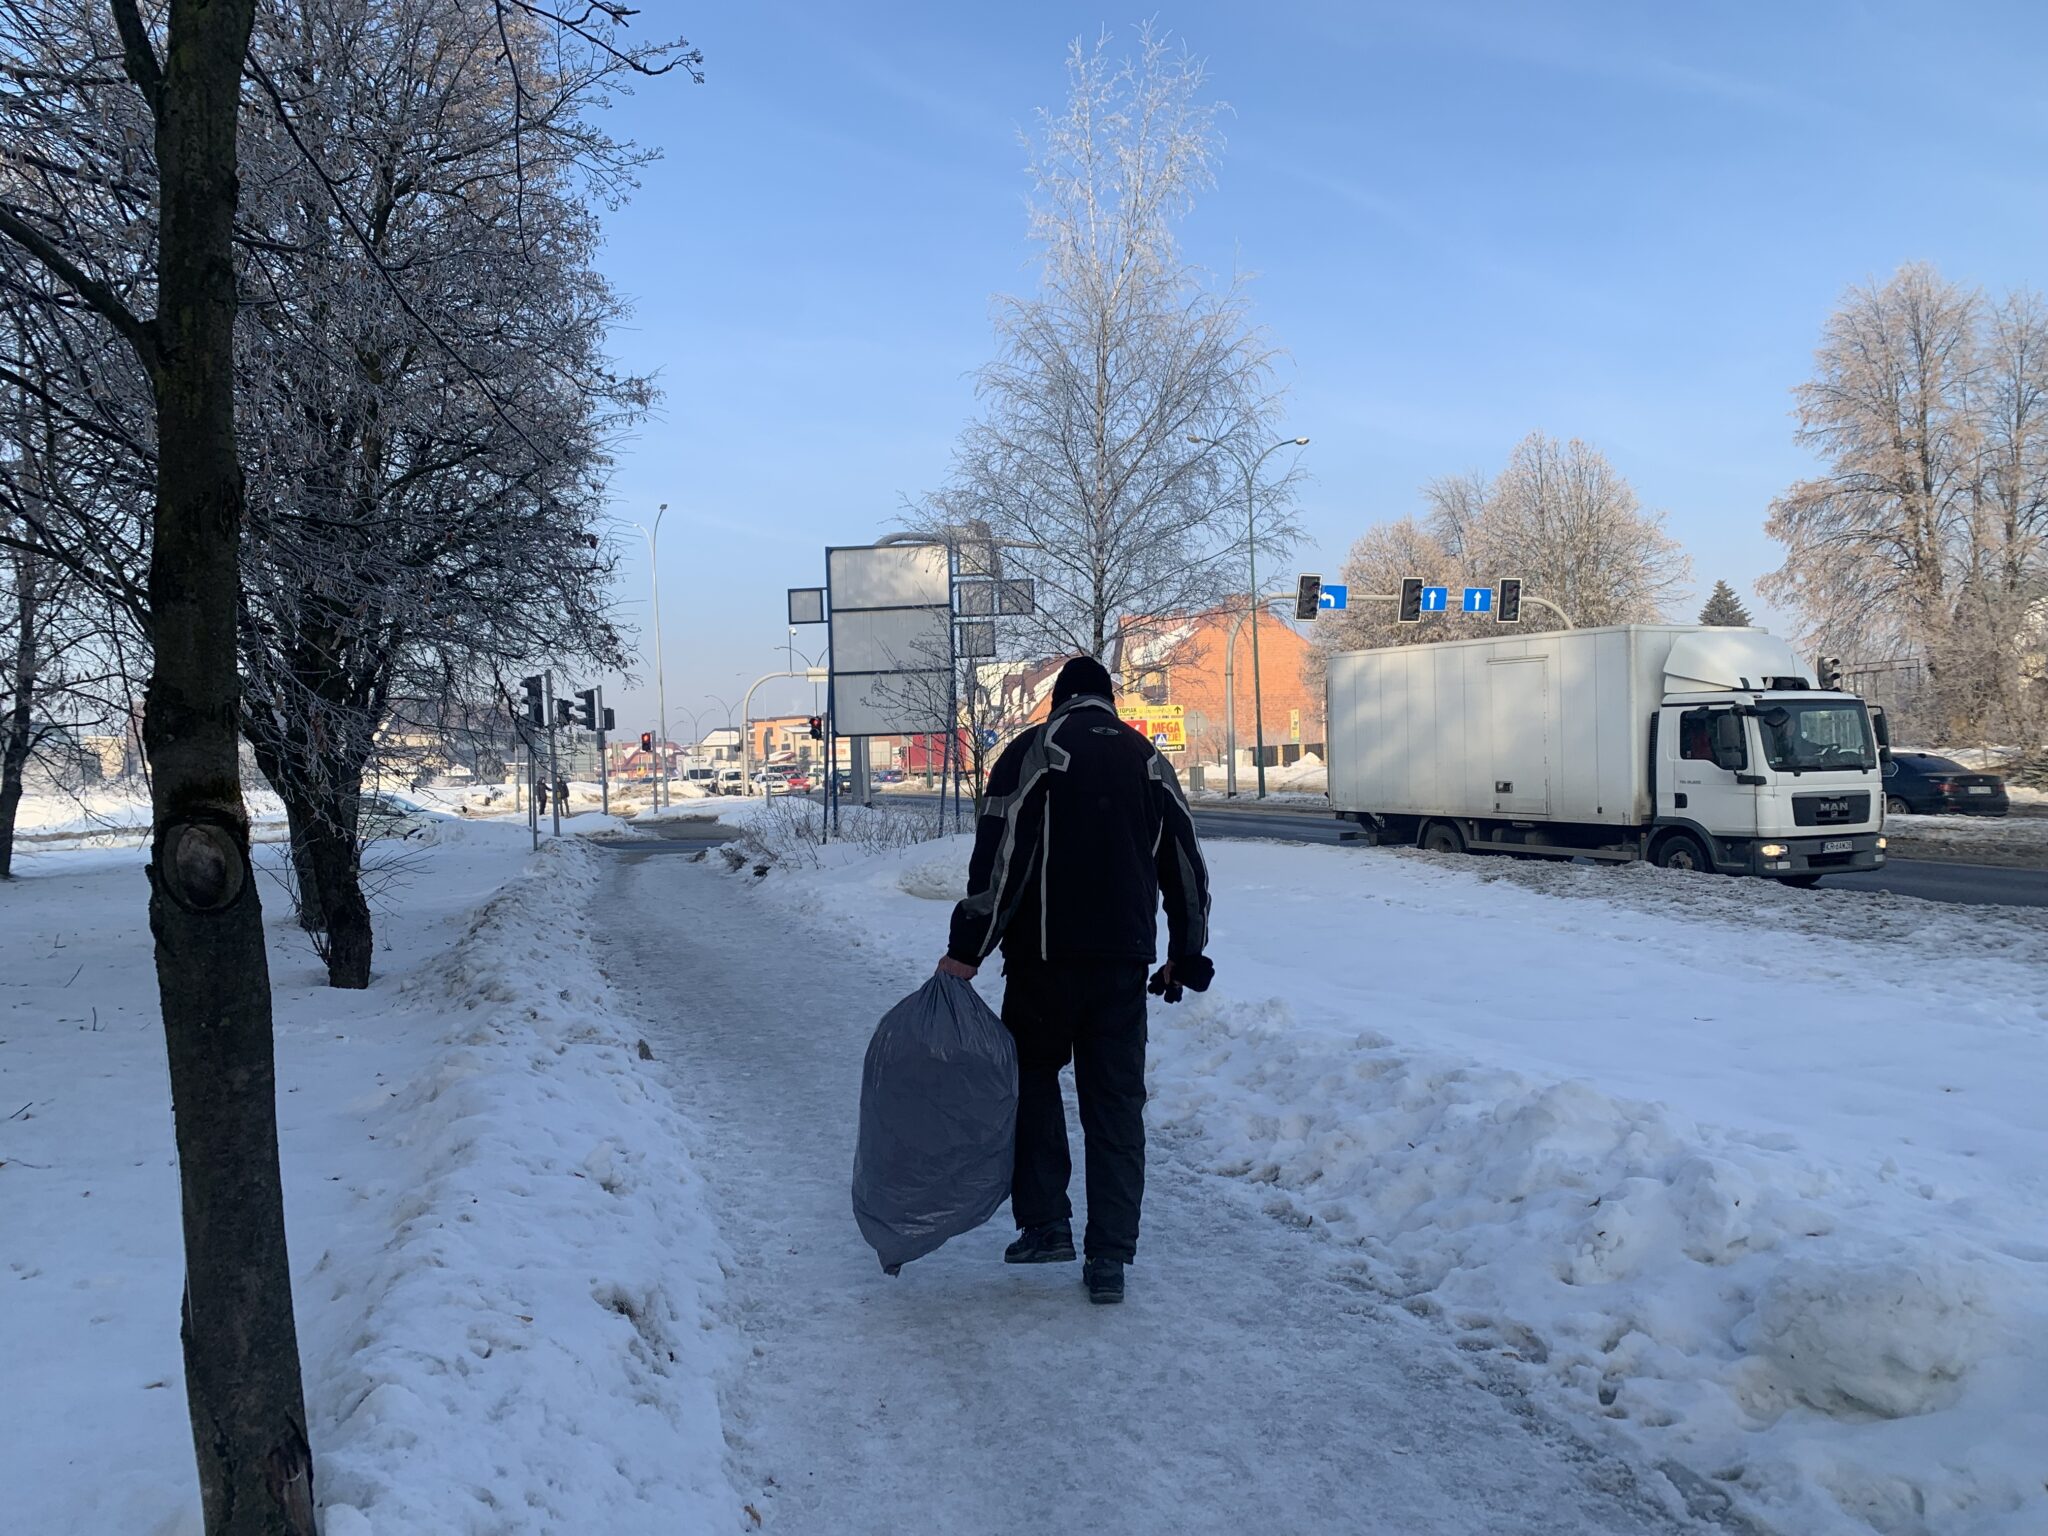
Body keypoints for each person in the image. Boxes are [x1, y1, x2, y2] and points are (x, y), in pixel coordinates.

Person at [939, 655, 1213, 1304]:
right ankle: (1110, 1257)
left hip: (1045, 962)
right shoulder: (1149, 758)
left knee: (1032, 1079)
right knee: (1116, 1105)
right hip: (1123, 965)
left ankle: (1047, 1225)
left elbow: (999, 861)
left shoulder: (1034, 751)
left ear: (1059, 699)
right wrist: (1185, 952)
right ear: (1109, 701)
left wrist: (967, 948)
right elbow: (1186, 865)